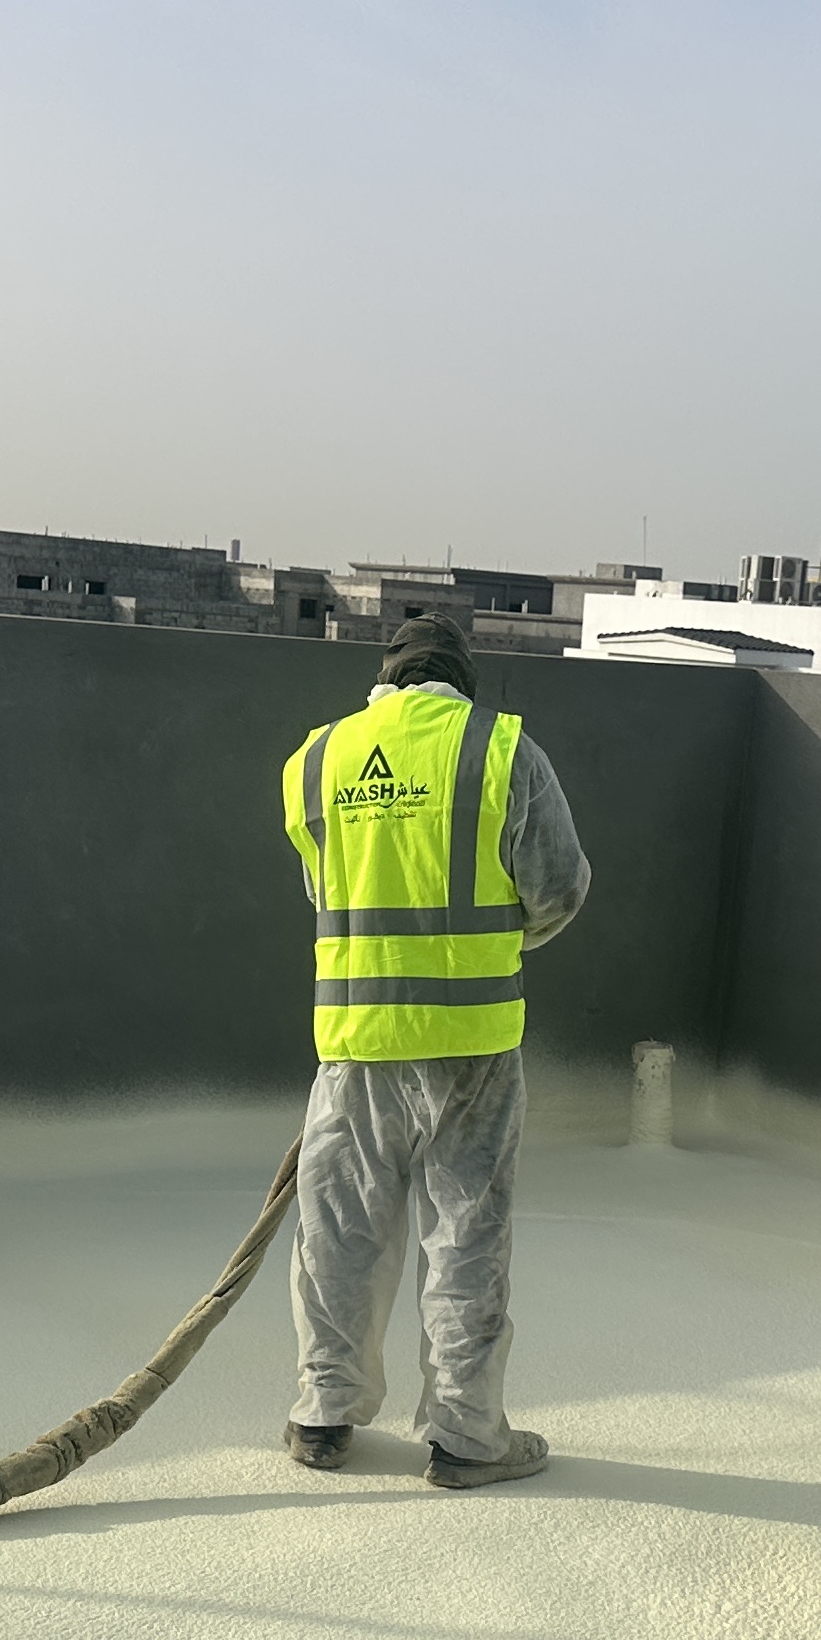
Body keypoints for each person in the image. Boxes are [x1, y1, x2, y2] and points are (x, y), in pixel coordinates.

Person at [278, 613, 591, 1488]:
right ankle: (466, 1438)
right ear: (462, 679)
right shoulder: (501, 749)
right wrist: (486, 946)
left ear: (386, 678)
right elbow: (560, 888)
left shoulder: (318, 759)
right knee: (465, 1236)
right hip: (471, 1040)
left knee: (338, 1230)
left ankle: (323, 1414)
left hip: (356, 1037)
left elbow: (324, 889)